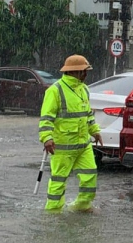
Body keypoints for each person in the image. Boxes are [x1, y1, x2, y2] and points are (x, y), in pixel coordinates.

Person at [39, 55, 102, 212]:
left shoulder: (84, 89)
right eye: (84, 71)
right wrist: (47, 138)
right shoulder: (55, 90)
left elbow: (87, 114)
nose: (86, 74)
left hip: (83, 145)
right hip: (62, 147)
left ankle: (82, 206)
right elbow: (46, 118)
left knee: (90, 176)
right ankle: (53, 212)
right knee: (59, 180)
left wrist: (95, 131)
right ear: (75, 72)